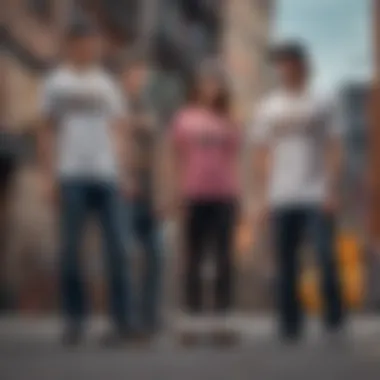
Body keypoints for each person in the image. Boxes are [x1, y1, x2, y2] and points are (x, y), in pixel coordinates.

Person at [38, 23, 131, 345]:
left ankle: (121, 322)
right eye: (85, 43)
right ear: (72, 45)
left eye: (95, 44)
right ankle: (75, 320)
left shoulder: (108, 84)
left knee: (118, 248)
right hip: (71, 174)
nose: (91, 49)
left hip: (106, 175)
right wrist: (47, 176)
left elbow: (119, 129)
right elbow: (47, 130)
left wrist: (123, 172)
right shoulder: (56, 82)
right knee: (71, 250)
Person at [251, 42, 346, 342]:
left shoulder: (322, 100)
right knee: (286, 261)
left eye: (289, 62)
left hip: (316, 193)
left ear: (302, 64)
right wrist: (263, 197)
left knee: (324, 256)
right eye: (280, 63)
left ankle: (334, 320)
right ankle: (290, 324)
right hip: (281, 195)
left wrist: (331, 188)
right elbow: (262, 153)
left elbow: (334, 146)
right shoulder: (268, 106)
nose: (284, 68)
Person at [167, 62, 241, 345]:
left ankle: (223, 321)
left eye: (216, 82)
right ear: (196, 86)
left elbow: (235, 160)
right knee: (193, 260)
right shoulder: (184, 118)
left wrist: (241, 196)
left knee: (223, 260)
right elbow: (174, 159)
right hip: (193, 196)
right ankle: (192, 323)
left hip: (224, 196)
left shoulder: (229, 120)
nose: (211, 87)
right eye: (206, 81)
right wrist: (175, 193)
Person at [120, 56, 162, 339]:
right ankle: (127, 316)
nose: (141, 80)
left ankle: (150, 314)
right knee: (125, 254)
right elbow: (119, 140)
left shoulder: (148, 106)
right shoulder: (115, 104)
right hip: (125, 188)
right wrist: (126, 178)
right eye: (136, 74)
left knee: (156, 254)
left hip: (149, 190)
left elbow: (159, 149)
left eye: (144, 75)